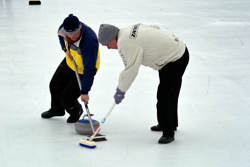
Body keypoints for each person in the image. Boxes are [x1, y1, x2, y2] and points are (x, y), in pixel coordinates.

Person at [98, 23, 189, 144]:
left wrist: (120, 91)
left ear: (112, 38)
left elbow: (131, 69)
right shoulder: (127, 30)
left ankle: (168, 133)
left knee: (164, 97)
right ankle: (169, 123)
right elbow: (154, 27)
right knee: (170, 92)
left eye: (106, 44)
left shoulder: (125, 44)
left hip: (175, 58)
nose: (108, 48)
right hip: (175, 52)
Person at [41, 14, 100, 123]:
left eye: (74, 35)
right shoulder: (63, 29)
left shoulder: (89, 41)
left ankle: (76, 111)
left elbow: (90, 68)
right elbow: (60, 36)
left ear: (80, 29)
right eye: (69, 35)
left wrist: (85, 91)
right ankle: (57, 110)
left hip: (84, 70)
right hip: (70, 62)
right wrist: (65, 49)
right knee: (54, 86)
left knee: (67, 98)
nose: (71, 38)